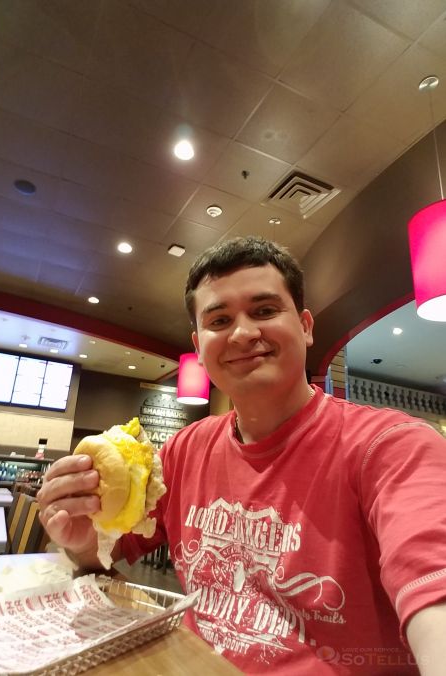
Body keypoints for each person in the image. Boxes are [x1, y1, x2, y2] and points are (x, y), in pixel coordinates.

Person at [38, 236, 446, 675]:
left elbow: (432, 589)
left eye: (265, 311)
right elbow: (105, 555)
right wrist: (82, 542)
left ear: (305, 326)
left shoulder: (392, 447)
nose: (244, 333)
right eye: (219, 320)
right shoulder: (182, 451)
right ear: (199, 346)